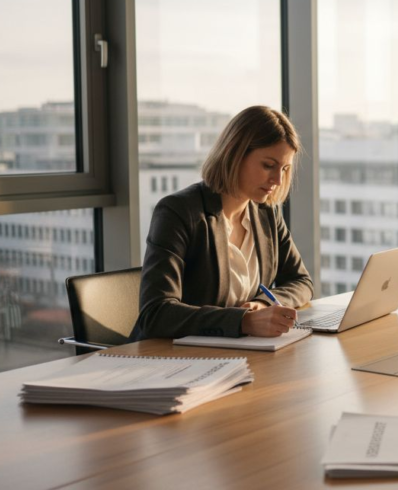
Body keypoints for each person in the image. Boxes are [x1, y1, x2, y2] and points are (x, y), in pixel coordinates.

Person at [131, 106, 313, 340]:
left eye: (284, 169)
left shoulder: (266, 213)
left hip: (236, 353)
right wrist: (243, 321)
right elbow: (156, 314)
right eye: (268, 165)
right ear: (235, 155)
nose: (278, 180)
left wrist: (262, 303)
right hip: (172, 359)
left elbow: (301, 281)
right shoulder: (178, 212)